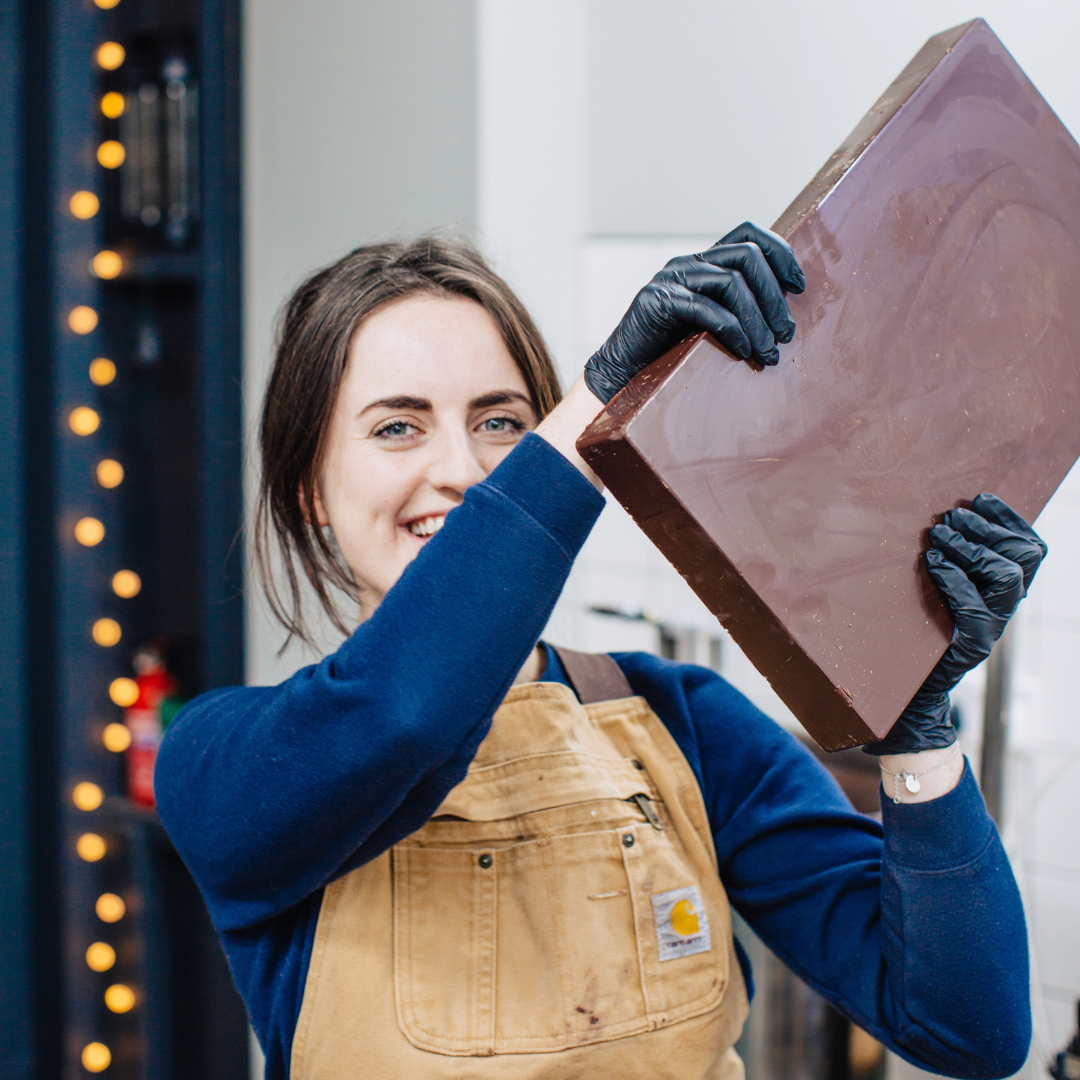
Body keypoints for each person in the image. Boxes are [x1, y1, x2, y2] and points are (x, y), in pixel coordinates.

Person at [156, 227, 1042, 1080]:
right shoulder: (225, 764)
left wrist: (918, 725)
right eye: (398, 428)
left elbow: (968, 1026)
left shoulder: (684, 725)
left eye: (501, 423)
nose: (463, 469)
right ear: (309, 485)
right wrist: (599, 403)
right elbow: (406, 714)